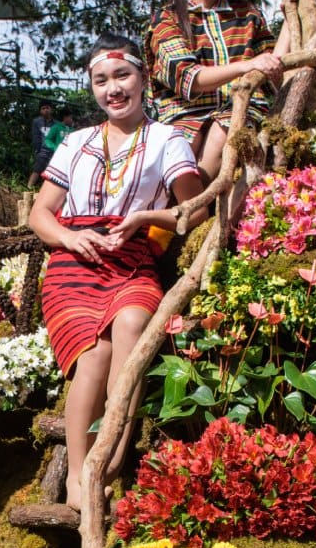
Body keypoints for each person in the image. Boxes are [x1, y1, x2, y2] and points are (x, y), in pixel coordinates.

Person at [30, 34, 205, 506]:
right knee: (94, 356)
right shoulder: (75, 142)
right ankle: (77, 480)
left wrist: (147, 218)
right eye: (101, 80)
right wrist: (68, 236)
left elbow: (196, 211)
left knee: (131, 323)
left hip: (132, 262)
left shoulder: (168, 139)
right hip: (74, 266)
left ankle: (109, 463)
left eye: (122, 75)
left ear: (143, 78)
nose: (113, 89)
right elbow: (40, 214)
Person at [145, 0, 309, 182]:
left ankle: (199, 209)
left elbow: (272, 69)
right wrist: (246, 65)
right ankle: (188, 208)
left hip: (241, 113)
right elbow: (191, 78)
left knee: (227, 129)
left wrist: (291, 20)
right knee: (182, 144)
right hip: (183, 117)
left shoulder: (247, 13)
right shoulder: (167, 19)